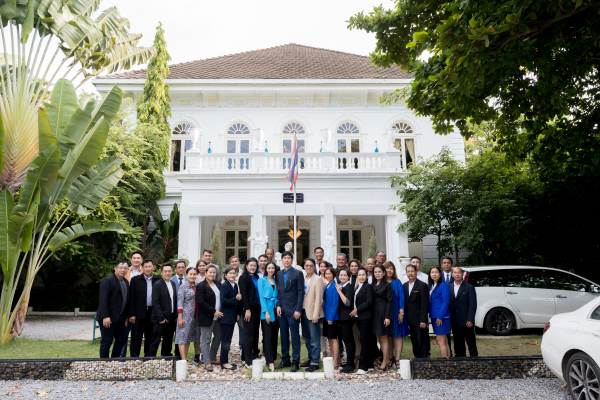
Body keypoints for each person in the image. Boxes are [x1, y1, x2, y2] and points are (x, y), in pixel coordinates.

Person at [276, 251, 305, 371]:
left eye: (289, 258)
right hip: (282, 311)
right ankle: (285, 359)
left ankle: (295, 361)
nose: (286, 260)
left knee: (295, 337)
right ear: (282, 260)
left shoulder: (298, 273)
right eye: (285, 258)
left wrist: (298, 309)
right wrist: (278, 305)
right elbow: (278, 291)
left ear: (292, 260)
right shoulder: (279, 273)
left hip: (293, 311)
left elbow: (300, 292)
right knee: (283, 336)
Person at [96, 261, 130, 358]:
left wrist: (126, 317)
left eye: (125, 268)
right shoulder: (107, 281)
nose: (123, 270)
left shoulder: (126, 282)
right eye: (121, 267)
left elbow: (126, 301)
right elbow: (103, 300)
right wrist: (105, 316)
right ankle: (104, 362)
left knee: (121, 340)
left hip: (121, 319)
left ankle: (114, 360)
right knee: (107, 341)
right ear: (115, 268)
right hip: (108, 318)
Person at [195, 265, 223, 371]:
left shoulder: (218, 284)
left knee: (218, 337)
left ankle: (212, 357)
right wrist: (213, 311)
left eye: (214, 272)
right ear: (206, 273)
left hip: (218, 317)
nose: (212, 274)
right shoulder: (201, 286)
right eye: (210, 272)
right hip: (206, 317)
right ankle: (207, 362)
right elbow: (201, 302)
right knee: (205, 340)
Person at [128, 259, 158, 357]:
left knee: (150, 335)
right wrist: (131, 314)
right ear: (142, 268)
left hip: (152, 312)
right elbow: (131, 298)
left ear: (153, 267)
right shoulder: (135, 280)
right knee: (136, 336)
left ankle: (148, 356)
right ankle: (134, 356)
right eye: (146, 267)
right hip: (138, 313)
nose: (148, 269)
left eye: (150, 266)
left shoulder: (158, 279)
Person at [150, 263, 178, 357]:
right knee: (155, 340)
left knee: (168, 339)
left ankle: (166, 357)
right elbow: (155, 302)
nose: (167, 273)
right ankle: (151, 358)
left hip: (171, 317)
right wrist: (161, 318)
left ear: (172, 272)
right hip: (160, 319)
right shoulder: (157, 284)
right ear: (161, 273)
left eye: (169, 271)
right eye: (165, 271)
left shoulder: (173, 283)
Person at [450, 266, 478, 357]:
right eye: (455, 272)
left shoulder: (469, 287)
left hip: (467, 321)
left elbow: (472, 305)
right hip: (454, 321)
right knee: (458, 343)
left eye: (459, 272)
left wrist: (470, 319)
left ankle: (475, 360)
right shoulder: (448, 286)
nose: (457, 274)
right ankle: (460, 359)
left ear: (462, 274)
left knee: (471, 342)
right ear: (452, 274)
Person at [238, 257, 261, 367]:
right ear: (246, 266)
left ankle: (253, 355)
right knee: (248, 334)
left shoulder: (256, 277)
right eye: (251, 265)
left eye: (254, 265)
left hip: (257, 308)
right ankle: (247, 360)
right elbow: (244, 295)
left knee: (255, 333)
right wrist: (247, 309)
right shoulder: (243, 278)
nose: (253, 267)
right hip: (249, 309)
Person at [301, 258, 323, 372]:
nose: (308, 267)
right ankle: (310, 358)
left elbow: (319, 298)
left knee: (314, 338)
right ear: (304, 267)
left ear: (314, 267)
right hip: (303, 311)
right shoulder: (303, 278)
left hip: (313, 313)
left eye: (311, 265)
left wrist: (316, 314)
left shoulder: (318, 279)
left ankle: (315, 362)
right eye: (306, 265)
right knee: (307, 337)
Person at [351, 268, 375, 374]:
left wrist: (357, 309)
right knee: (365, 340)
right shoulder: (357, 287)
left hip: (365, 317)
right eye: (359, 275)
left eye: (363, 274)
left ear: (366, 276)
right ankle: (369, 365)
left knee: (364, 341)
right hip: (359, 318)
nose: (361, 276)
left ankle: (363, 367)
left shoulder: (368, 286)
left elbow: (369, 302)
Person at [385, 261, 408, 368]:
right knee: (388, 336)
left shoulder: (397, 282)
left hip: (396, 312)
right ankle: (390, 357)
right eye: (387, 268)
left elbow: (401, 297)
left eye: (391, 268)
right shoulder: (381, 282)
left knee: (397, 336)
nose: (389, 270)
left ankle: (398, 359)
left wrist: (401, 311)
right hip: (385, 313)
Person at [403, 264, 430, 358]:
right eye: (408, 271)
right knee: (414, 340)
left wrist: (423, 320)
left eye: (412, 271)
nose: (410, 273)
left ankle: (424, 358)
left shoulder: (422, 285)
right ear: (406, 273)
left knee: (422, 339)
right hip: (409, 319)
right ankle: (417, 358)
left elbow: (425, 304)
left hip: (420, 319)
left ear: (416, 272)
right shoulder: (404, 286)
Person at [258, 261, 280, 371]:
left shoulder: (277, 281)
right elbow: (261, 297)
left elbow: (278, 296)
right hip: (266, 311)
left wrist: (278, 305)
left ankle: (273, 357)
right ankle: (269, 361)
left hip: (276, 311)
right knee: (267, 336)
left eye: (273, 268)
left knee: (275, 336)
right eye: (269, 268)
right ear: (266, 269)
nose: (271, 270)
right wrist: (265, 311)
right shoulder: (261, 281)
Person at [175, 267, 199, 361]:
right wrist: (180, 317)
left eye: (194, 274)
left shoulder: (197, 286)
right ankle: (183, 360)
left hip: (194, 316)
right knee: (182, 338)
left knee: (188, 338)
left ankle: (185, 359)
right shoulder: (183, 287)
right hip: (185, 316)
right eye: (191, 274)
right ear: (186, 275)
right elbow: (179, 303)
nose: (192, 276)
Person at [220, 267, 241, 370]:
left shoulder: (235, 285)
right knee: (225, 340)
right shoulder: (224, 286)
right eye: (230, 273)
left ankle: (225, 360)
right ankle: (224, 362)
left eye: (234, 273)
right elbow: (223, 301)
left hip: (232, 316)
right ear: (226, 275)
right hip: (225, 317)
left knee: (228, 339)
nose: (232, 275)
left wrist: (237, 313)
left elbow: (237, 302)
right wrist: (235, 299)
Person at [372, 264, 392, 370]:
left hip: (383, 313)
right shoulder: (372, 284)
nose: (377, 274)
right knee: (379, 338)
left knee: (384, 338)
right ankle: (384, 358)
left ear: (384, 273)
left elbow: (389, 302)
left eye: (379, 272)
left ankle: (385, 361)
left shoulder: (387, 285)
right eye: (375, 272)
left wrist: (387, 317)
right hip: (374, 314)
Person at [429, 266, 451, 358]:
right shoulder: (432, 285)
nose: (434, 274)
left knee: (441, 341)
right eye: (432, 272)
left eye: (436, 272)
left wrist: (440, 316)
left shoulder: (443, 285)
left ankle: (445, 361)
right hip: (434, 316)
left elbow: (446, 302)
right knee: (444, 340)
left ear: (440, 274)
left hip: (441, 317)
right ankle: (448, 359)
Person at [336, 269, 355, 373]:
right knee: (346, 341)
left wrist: (339, 292)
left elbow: (347, 303)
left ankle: (350, 365)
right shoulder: (342, 286)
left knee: (348, 341)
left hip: (347, 318)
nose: (342, 277)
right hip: (341, 318)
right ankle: (348, 362)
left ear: (348, 277)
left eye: (344, 275)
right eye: (341, 275)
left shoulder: (349, 287)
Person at [322, 266, 340, 368]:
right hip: (326, 316)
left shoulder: (334, 286)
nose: (328, 275)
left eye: (329, 273)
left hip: (332, 317)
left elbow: (335, 303)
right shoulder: (328, 285)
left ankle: (336, 362)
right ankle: (333, 358)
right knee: (329, 339)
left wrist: (331, 317)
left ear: (333, 275)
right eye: (326, 274)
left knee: (333, 339)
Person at [440, 256, 454, 356]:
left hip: (454, 308)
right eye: (444, 263)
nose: (446, 264)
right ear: (441, 265)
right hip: (443, 309)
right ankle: (449, 354)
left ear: (451, 264)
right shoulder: (438, 276)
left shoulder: (456, 274)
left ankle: (459, 355)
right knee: (445, 334)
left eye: (448, 263)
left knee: (457, 333)